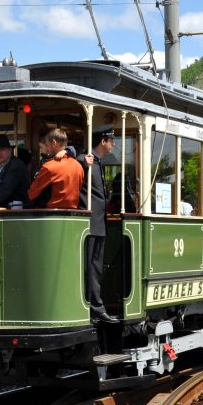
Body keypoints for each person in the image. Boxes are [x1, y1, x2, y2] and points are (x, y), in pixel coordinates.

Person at [78, 125, 118, 324]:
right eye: (111, 140)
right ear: (103, 141)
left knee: (96, 267)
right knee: (90, 267)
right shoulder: (87, 160)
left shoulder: (99, 162)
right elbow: (75, 164)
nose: (113, 144)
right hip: (90, 224)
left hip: (99, 224)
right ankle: (94, 308)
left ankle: (96, 306)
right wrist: (82, 162)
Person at [28, 128, 84, 208]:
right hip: (73, 215)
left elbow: (32, 193)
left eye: (47, 145)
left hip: (51, 215)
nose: (47, 149)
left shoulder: (50, 167)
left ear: (54, 143)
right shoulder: (78, 166)